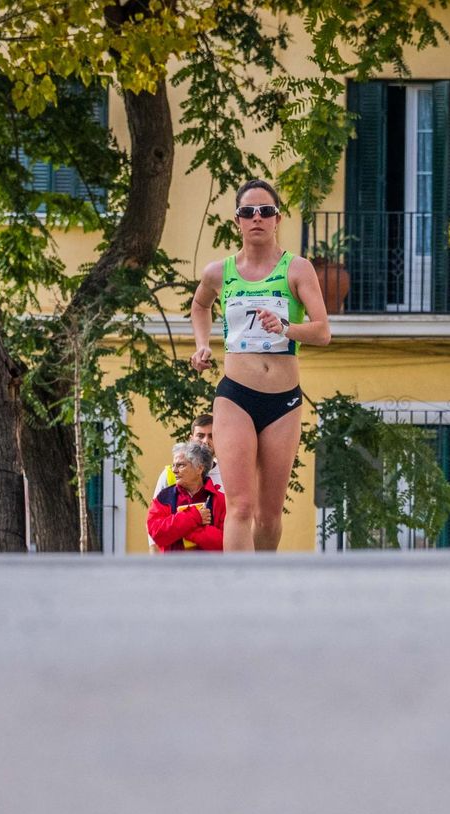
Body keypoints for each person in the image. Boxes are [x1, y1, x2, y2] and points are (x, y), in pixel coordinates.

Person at [190, 179, 330, 551]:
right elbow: (200, 305)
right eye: (248, 212)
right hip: (235, 395)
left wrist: (287, 327)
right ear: (237, 220)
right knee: (239, 505)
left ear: (277, 219)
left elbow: (323, 331)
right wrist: (202, 345)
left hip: (282, 400)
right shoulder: (219, 272)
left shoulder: (297, 270)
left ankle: (263, 584)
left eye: (265, 211)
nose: (257, 218)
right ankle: (239, 594)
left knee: (268, 515)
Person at [146, 441, 226, 553]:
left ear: (199, 468)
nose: (174, 470)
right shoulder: (164, 497)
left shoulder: (220, 500)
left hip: (209, 569)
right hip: (173, 569)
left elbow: (224, 543)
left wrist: (183, 528)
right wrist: (195, 517)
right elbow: (157, 533)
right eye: (174, 465)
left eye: (181, 465)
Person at [152, 412, 220, 497]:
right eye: (200, 436)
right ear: (191, 440)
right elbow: (155, 509)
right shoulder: (170, 474)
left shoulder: (227, 477)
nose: (205, 441)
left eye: (211, 436)